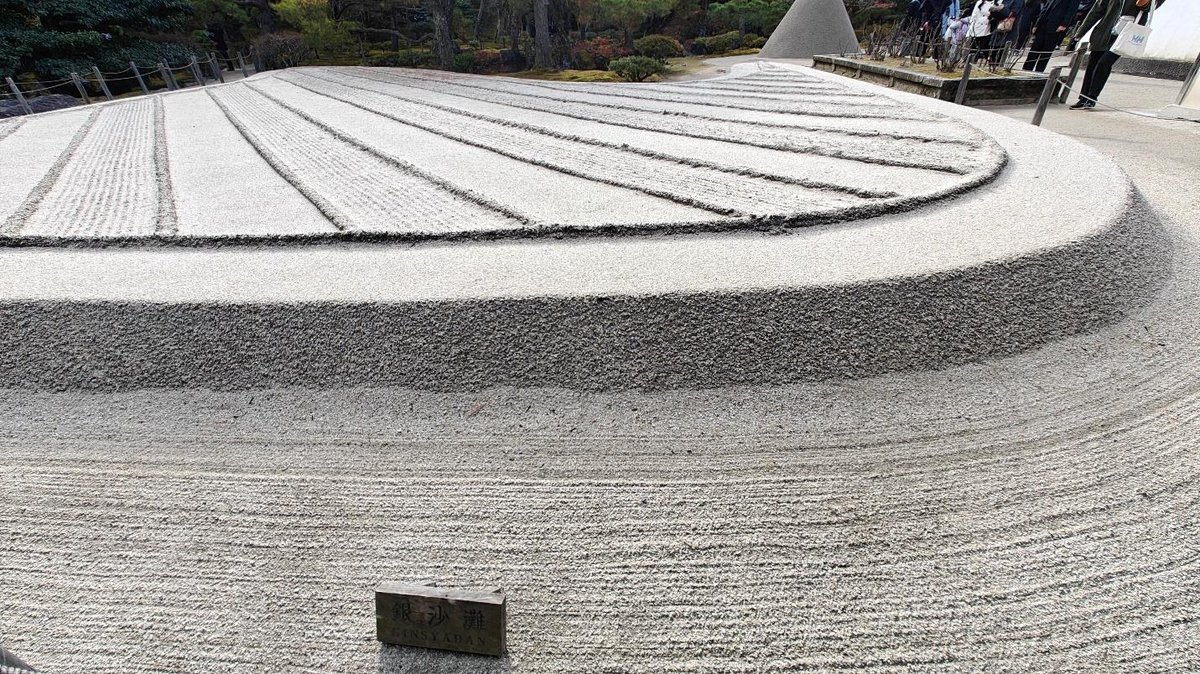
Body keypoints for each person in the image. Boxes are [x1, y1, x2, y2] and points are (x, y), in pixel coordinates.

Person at [1070, 0, 1166, 109]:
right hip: (1104, 31)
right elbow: (1097, 11)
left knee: (1104, 62)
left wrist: (1145, 4)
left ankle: (1092, 97)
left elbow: (1151, 7)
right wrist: (1080, 32)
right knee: (1093, 64)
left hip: (1126, 34)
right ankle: (1083, 98)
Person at [1022, 0, 1081, 71]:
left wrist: (1064, 24)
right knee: (1035, 48)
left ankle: (1039, 71)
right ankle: (1027, 69)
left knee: (1046, 51)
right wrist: (1037, 24)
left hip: (1056, 26)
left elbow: (1072, 10)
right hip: (1043, 23)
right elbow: (1046, 7)